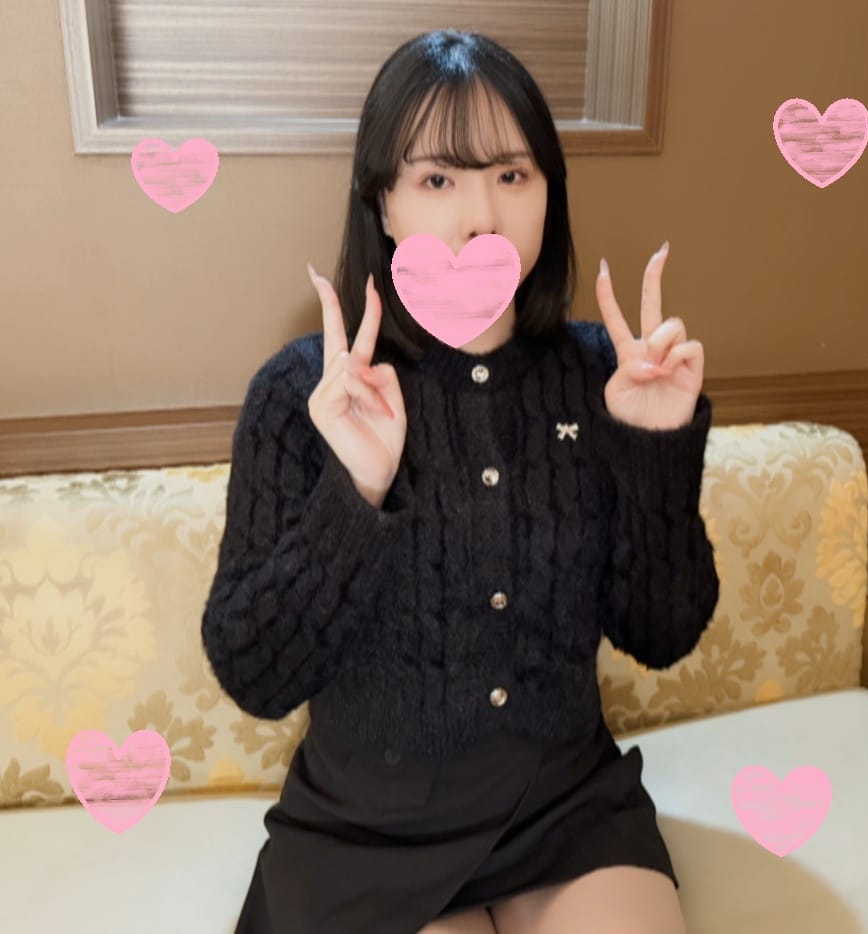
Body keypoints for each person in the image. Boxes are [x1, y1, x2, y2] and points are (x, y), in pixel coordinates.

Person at [201, 27, 719, 934]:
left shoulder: (606, 378)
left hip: (563, 805)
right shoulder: (303, 394)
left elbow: (662, 634)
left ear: (549, 192)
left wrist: (654, 448)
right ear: (383, 202)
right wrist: (355, 497)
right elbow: (255, 674)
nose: (483, 215)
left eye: (512, 175)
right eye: (439, 179)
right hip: (365, 826)